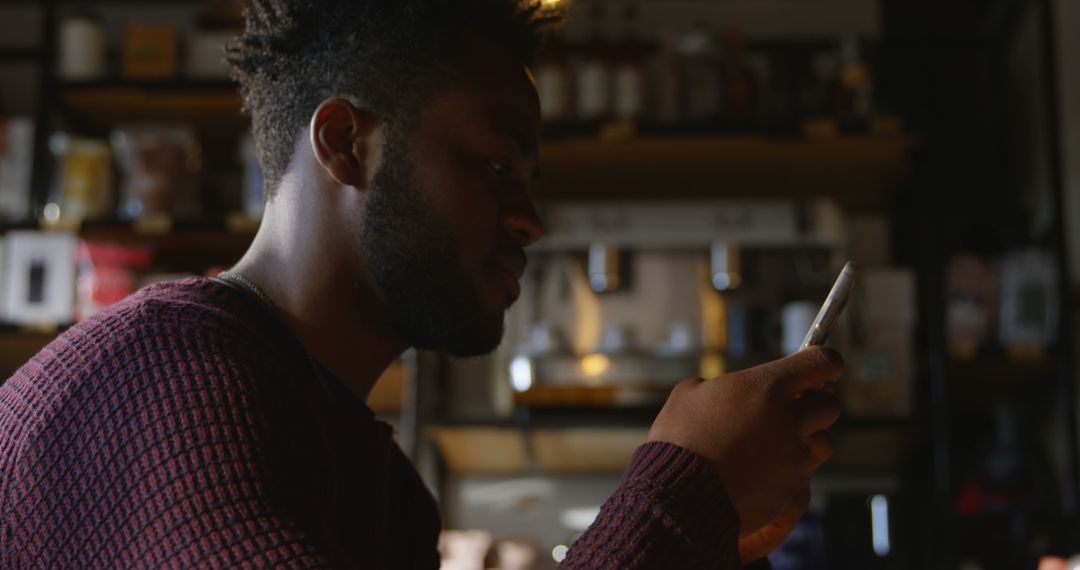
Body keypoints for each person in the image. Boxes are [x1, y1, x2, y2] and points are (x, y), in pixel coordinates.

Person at [0, 1, 843, 568]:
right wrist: (681, 499)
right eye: (497, 162)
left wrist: (706, 535)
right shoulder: (162, 378)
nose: (531, 220)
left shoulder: (380, 483)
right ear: (345, 145)